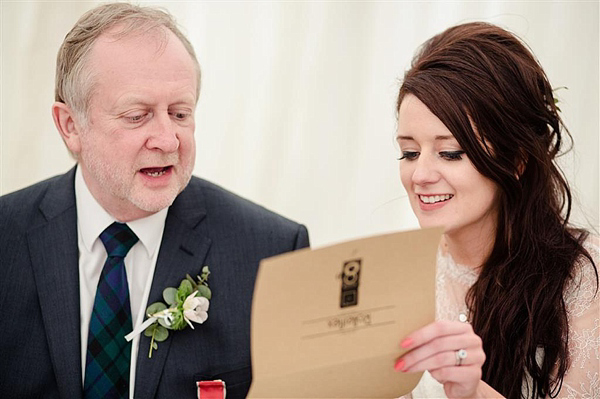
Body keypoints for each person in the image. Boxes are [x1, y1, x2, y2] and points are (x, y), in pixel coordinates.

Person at [0, 3, 309, 399]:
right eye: (137, 115)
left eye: (180, 113)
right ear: (70, 126)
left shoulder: (272, 252)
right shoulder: (6, 238)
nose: (167, 140)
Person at [392, 22, 599, 398]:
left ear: (517, 160)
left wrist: (473, 393)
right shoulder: (400, 274)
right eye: (409, 152)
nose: (420, 174)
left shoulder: (583, 281)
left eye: (450, 152)